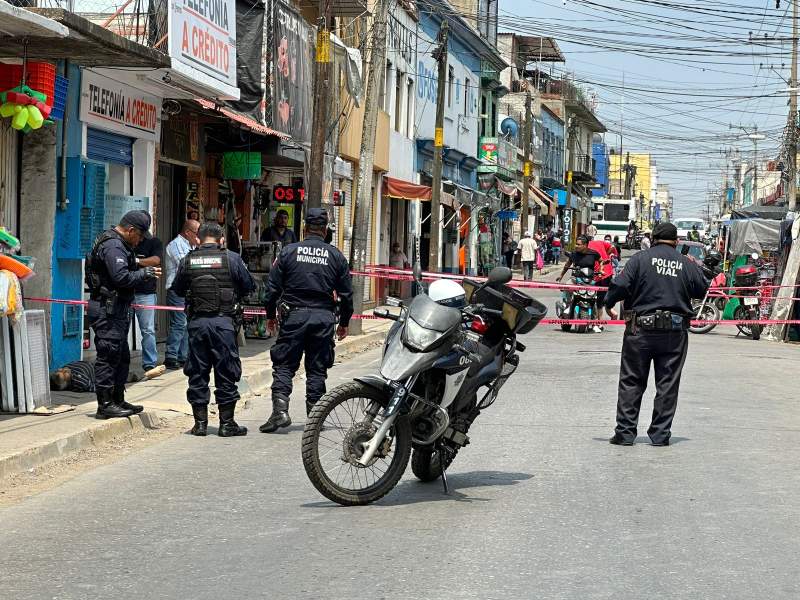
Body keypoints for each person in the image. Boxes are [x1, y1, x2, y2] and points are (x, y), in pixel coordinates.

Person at [603, 222, 711, 446]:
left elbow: (620, 285)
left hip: (639, 331)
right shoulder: (686, 263)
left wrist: (608, 303)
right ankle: (660, 434)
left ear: (653, 238)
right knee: (668, 383)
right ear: (676, 241)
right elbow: (702, 288)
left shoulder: (639, 260)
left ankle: (625, 433)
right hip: (674, 332)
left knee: (631, 381)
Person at [260, 208, 354, 433]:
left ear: (304, 228)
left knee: (284, 364)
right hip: (323, 318)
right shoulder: (336, 256)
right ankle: (315, 417)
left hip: (294, 316)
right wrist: (344, 322)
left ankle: (280, 412)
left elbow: (271, 290)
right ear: (325, 230)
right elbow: (347, 295)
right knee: (317, 367)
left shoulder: (288, 252)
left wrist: (270, 316)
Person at [170, 222, 256, 437]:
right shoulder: (232, 258)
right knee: (226, 371)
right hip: (224, 324)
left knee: (197, 372)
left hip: (197, 324)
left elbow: (178, 289)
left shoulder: (188, 260)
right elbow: (249, 286)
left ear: (198, 239)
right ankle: (227, 424)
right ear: (222, 240)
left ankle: (200, 424)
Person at [85, 210, 160, 419]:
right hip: (106, 309)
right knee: (108, 356)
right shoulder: (113, 245)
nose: (140, 241)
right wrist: (144, 273)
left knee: (121, 356)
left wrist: (138, 266)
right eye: (140, 236)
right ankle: (105, 404)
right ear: (131, 230)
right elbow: (120, 277)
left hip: (116, 308)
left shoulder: (119, 244)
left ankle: (118, 398)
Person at [164, 220, 200, 369]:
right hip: (176, 289)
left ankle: (183, 356)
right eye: (197, 234)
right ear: (188, 232)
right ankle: (171, 356)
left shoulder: (191, 246)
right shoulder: (176, 245)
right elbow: (186, 265)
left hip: (189, 290)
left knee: (188, 323)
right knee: (179, 323)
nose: (199, 237)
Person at [133, 234, 163, 373]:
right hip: (126, 290)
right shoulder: (125, 241)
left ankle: (149, 363)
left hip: (146, 293)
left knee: (148, 330)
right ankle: (120, 360)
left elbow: (156, 260)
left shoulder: (153, 242)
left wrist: (136, 261)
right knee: (121, 327)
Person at [50, 360, 142, 393]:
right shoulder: (79, 381)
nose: (63, 370)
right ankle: (139, 376)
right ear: (66, 382)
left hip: (94, 364)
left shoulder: (67, 368)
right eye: (64, 373)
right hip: (100, 373)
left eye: (60, 370)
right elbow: (93, 387)